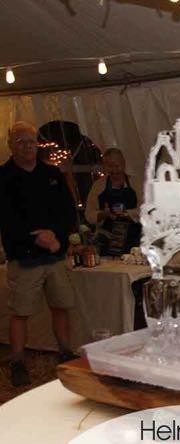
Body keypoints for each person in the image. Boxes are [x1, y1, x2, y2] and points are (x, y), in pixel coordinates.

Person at [0, 121, 77, 386]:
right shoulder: (3, 177)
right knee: (20, 312)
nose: (27, 146)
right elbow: (6, 219)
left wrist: (56, 237)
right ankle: (18, 361)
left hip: (55, 256)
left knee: (61, 306)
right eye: (20, 141)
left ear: (37, 144)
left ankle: (65, 352)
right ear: (10, 145)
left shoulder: (51, 173)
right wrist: (37, 238)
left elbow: (67, 211)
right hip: (24, 258)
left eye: (31, 141)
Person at [85, 148, 143, 255]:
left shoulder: (136, 183)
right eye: (110, 167)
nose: (114, 170)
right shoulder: (98, 186)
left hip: (134, 239)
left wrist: (127, 213)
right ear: (105, 167)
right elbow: (89, 214)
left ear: (124, 164)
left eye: (117, 166)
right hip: (107, 240)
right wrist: (104, 214)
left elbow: (146, 210)